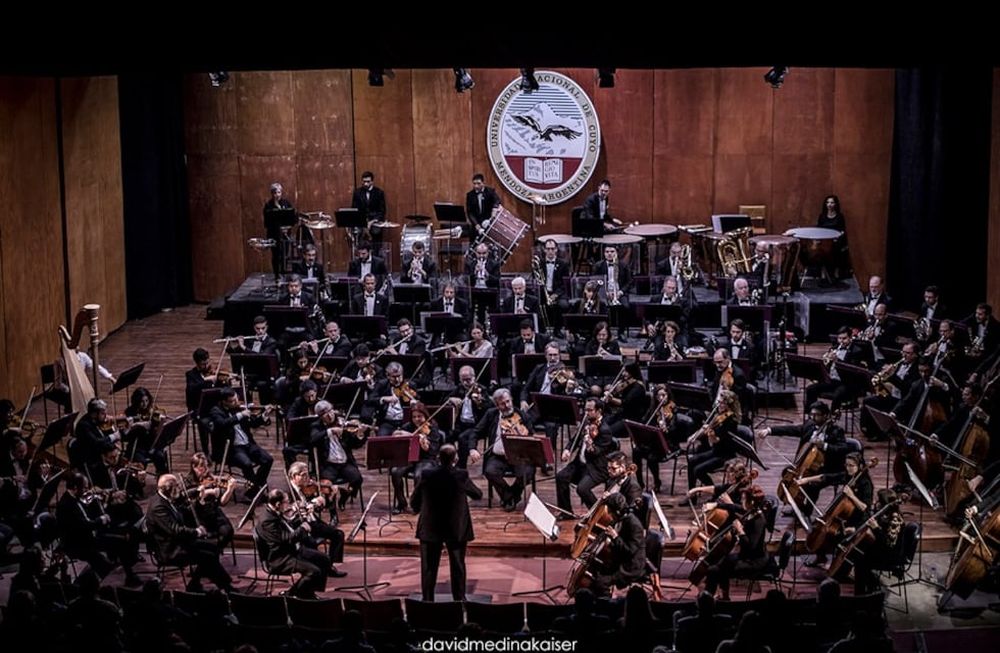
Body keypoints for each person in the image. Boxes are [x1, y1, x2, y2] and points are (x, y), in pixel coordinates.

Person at [411, 444, 482, 601]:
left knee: (429, 566)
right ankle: (459, 600)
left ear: (438, 459)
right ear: (455, 459)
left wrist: (417, 509)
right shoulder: (461, 475)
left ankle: (427, 601)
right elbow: (477, 494)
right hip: (455, 527)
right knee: (457, 564)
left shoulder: (427, 474)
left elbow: (414, 500)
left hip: (430, 526)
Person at [756, 401, 850, 519]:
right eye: (811, 415)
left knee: (812, 484)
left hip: (828, 468)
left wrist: (825, 446)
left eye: (817, 415)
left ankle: (806, 513)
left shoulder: (836, 431)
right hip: (808, 465)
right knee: (788, 472)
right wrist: (769, 430)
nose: (813, 418)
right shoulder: (809, 426)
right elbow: (791, 429)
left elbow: (844, 448)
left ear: (826, 415)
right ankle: (797, 508)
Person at [146, 473, 233, 593]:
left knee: (214, 548)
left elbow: (181, 510)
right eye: (176, 486)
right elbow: (175, 530)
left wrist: (198, 500)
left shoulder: (166, 499)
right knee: (208, 556)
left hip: (180, 542)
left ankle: (195, 584)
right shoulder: (158, 507)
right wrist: (196, 531)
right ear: (168, 489)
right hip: (170, 550)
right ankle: (226, 588)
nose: (179, 488)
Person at [256, 488, 332, 599]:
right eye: (286, 502)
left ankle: (309, 593)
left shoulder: (274, 511)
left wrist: (297, 518)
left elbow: (287, 528)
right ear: (278, 504)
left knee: (324, 559)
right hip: (280, 557)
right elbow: (286, 539)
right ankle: (291, 594)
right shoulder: (267, 521)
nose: (289, 504)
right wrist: (302, 528)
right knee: (313, 571)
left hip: (291, 550)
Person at [467, 388, 535, 511]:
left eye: (508, 401)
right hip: (498, 456)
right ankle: (510, 496)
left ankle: (511, 496)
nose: (507, 405)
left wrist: (523, 435)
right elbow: (475, 432)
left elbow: (531, 437)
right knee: (490, 471)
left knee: (527, 473)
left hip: (519, 456)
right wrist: (473, 449)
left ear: (512, 400)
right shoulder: (491, 414)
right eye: (502, 404)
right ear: (497, 405)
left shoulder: (523, 416)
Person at [702, 486, 771, 600]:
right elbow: (735, 507)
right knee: (721, 563)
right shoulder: (752, 511)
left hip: (754, 561)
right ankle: (722, 597)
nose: (741, 502)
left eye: (744, 499)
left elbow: (751, 548)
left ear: (751, 502)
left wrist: (740, 531)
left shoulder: (759, 521)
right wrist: (716, 505)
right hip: (746, 555)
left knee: (714, 570)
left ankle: (709, 599)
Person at [556, 398, 617, 515]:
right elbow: (575, 438)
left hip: (596, 467)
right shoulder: (586, 422)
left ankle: (597, 514)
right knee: (561, 477)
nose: (586, 413)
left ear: (599, 411)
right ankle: (566, 512)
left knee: (582, 489)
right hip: (580, 463)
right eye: (585, 410)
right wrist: (567, 449)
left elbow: (597, 452)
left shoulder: (604, 430)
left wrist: (590, 445)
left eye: (590, 410)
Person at [286, 461, 347, 576]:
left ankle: (329, 566)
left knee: (338, 534)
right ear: (294, 476)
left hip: (312, 521)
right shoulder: (288, 492)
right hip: (301, 526)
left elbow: (320, 508)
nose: (307, 478)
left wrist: (324, 500)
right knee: (312, 543)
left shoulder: (304, 487)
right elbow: (288, 517)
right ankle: (320, 567)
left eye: (307, 474)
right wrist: (300, 510)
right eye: (303, 475)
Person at [208, 388, 274, 493]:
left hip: (248, 444)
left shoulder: (238, 408)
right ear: (224, 402)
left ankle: (255, 487)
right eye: (232, 401)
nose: (236, 403)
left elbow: (253, 423)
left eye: (236, 399)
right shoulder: (216, 411)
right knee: (246, 464)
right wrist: (239, 415)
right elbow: (222, 424)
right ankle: (255, 491)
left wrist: (264, 415)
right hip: (231, 448)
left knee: (268, 460)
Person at [586, 492, 646, 597]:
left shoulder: (634, 525)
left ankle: (608, 607)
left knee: (601, 582)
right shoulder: (621, 517)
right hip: (619, 557)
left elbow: (630, 551)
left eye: (609, 511)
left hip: (630, 566)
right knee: (593, 568)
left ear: (617, 512)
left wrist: (615, 537)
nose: (608, 514)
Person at [311, 400, 367, 511]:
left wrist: (361, 434)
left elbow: (355, 445)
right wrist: (330, 431)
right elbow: (313, 440)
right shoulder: (316, 426)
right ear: (320, 416)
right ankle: (333, 514)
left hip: (344, 463)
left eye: (331, 412)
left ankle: (345, 495)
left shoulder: (342, 423)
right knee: (328, 487)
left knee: (357, 479)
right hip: (328, 465)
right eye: (326, 414)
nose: (330, 415)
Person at [390, 403, 443, 514]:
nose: (417, 419)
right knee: (395, 472)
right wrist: (412, 435)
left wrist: (424, 445)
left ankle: (417, 504)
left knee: (419, 475)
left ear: (425, 416)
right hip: (410, 459)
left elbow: (433, 451)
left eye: (419, 416)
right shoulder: (409, 426)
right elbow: (395, 433)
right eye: (414, 417)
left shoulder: (432, 428)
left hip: (427, 459)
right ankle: (401, 503)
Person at [263, 182, 295, 278]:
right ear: (272, 194)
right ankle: (277, 275)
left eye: (279, 192)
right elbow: (267, 223)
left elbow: (292, 218)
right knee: (276, 255)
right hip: (274, 234)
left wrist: (288, 227)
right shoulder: (268, 205)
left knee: (285, 255)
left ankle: (284, 274)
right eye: (275, 193)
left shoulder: (286, 203)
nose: (277, 195)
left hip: (285, 234)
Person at [816, 194, 850, 280]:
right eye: (827, 202)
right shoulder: (822, 216)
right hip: (824, 241)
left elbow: (842, 231)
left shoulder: (839, 216)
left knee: (835, 249)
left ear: (835, 204)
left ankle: (836, 273)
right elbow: (819, 229)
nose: (829, 204)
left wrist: (837, 238)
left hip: (836, 241)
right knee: (820, 250)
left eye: (832, 202)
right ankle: (823, 273)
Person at [352, 171, 387, 248]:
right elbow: (354, 209)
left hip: (375, 222)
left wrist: (373, 221)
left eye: (368, 182)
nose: (366, 184)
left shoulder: (379, 192)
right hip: (362, 222)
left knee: (376, 239)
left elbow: (382, 211)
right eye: (364, 182)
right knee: (359, 239)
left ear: (372, 181)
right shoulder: (357, 192)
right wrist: (364, 222)